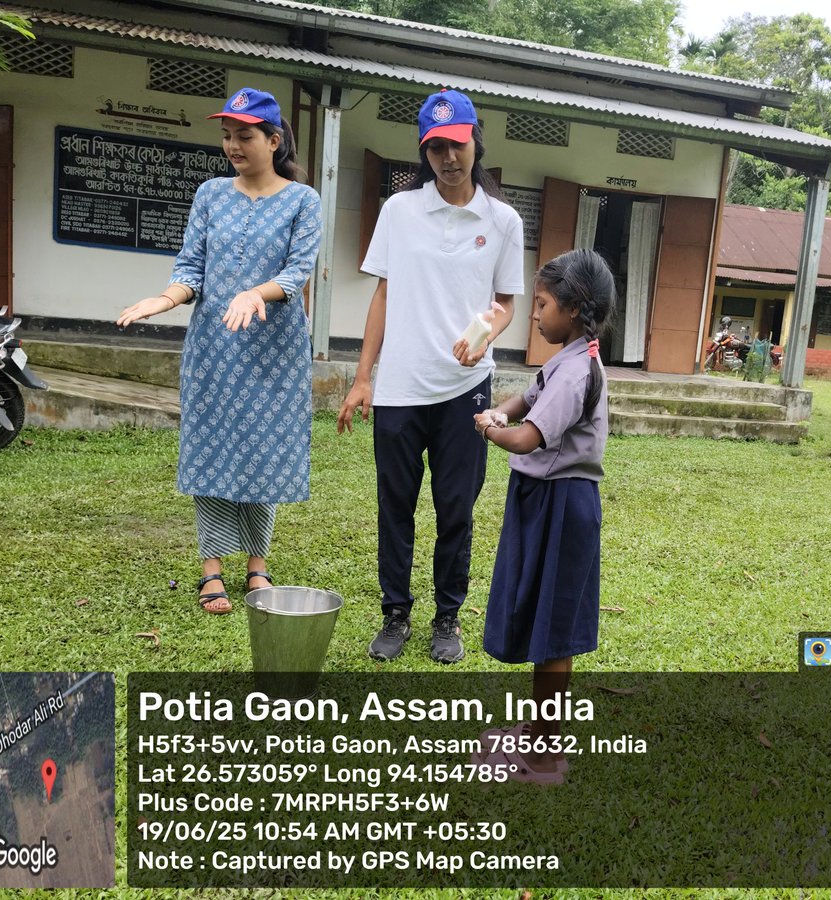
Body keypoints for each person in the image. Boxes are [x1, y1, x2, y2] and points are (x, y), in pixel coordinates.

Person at [337, 88, 524, 664]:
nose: (448, 157)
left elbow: (507, 303)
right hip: (398, 388)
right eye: (436, 147)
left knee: (456, 508)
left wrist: (486, 335)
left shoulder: (502, 220)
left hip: (466, 390)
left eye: (457, 144)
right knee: (395, 505)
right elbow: (383, 296)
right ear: (425, 152)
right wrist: (363, 377)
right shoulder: (400, 211)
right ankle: (395, 615)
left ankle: (448, 618)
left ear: (475, 143)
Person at [117, 88, 321, 615]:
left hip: (275, 349)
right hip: (214, 345)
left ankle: (257, 565)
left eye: (245, 135)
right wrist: (165, 298)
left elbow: (297, 272)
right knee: (211, 448)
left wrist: (257, 292)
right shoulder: (210, 193)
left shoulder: (304, 200)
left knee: (263, 448)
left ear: (274, 140)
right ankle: (212, 569)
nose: (233, 144)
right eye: (227, 135)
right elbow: (191, 268)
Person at [471, 248, 614, 783]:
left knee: (555, 631)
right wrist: (497, 410)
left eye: (545, 304)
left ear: (574, 309)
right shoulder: (566, 360)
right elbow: (523, 401)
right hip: (545, 499)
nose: (535, 313)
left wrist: (487, 429)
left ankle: (544, 753)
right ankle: (534, 736)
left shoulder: (578, 371)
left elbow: (527, 436)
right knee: (541, 617)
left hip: (563, 504)